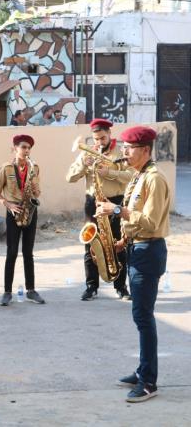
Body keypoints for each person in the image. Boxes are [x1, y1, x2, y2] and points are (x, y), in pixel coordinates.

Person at [96, 126, 170, 403]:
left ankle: (149, 381)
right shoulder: (139, 176)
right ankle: (142, 371)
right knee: (141, 316)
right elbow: (136, 217)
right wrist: (122, 239)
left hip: (149, 250)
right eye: (124, 147)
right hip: (138, 246)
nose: (124, 152)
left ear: (146, 151)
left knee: (144, 317)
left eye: (129, 148)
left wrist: (115, 210)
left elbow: (150, 221)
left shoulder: (155, 179)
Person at [66, 119, 132, 301]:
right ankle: (91, 287)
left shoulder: (120, 152)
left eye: (102, 138)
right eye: (96, 139)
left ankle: (121, 287)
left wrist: (110, 173)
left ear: (110, 133)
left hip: (115, 202)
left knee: (118, 245)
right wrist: (83, 165)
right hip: (93, 203)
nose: (99, 143)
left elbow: (130, 176)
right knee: (90, 244)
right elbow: (69, 178)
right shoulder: (89, 152)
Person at [0, 134, 46, 306]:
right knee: (12, 252)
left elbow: (37, 191)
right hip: (13, 210)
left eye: (29, 148)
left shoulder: (34, 167)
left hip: (30, 210)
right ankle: (7, 292)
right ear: (15, 148)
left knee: (29, 252)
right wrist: (8, 205)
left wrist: (37, 191)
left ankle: (31, 290)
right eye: (23, 147)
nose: (26, 150)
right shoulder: (7, 168)